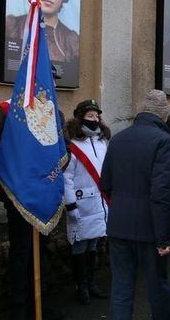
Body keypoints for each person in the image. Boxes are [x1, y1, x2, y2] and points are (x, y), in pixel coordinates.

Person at [0, 67, 68, 320]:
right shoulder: (6, 111)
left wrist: (60, 161)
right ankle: (18, 308)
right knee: (22, 252)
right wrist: (23, 162)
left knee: (43, 251)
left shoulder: (56, 113)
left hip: (46, 193)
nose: (49, 85)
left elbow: (63, 149)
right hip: (18, 194)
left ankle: (39, 302)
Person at [100, 89, 170, 320]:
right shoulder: (164, 141)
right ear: (164, 116)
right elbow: (161, 194)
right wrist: (163, 238)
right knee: (157, 289)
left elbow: (106, 183)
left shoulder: (118, 138)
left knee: (121, 290)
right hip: (149, 230)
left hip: (118, 226)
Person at [64, 99, 110, 304]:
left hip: (99, 202)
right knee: (79, 244)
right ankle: (80, 286)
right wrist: (70, 204)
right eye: (90, 116)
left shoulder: (102, 142)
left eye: (97, 116)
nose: (95, 119)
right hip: (81, 203)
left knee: (94, 242)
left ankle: (91, 283)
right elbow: (66, 177)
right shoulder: (72, 144)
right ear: (80, 117)